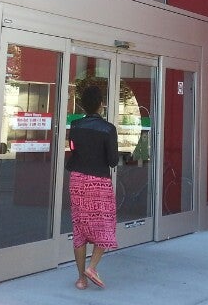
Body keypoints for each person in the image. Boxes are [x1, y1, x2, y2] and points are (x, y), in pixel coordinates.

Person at [66, 84, 118, 290]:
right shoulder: (108, 129)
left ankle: (81, 279)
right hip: (99, 183)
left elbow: (73, 149)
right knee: (105, 224)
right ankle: (92, 267)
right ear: (101, 104)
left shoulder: (75, 125)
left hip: (77, 180)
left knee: (79, 228)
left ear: (83, 105)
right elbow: (113, 160)